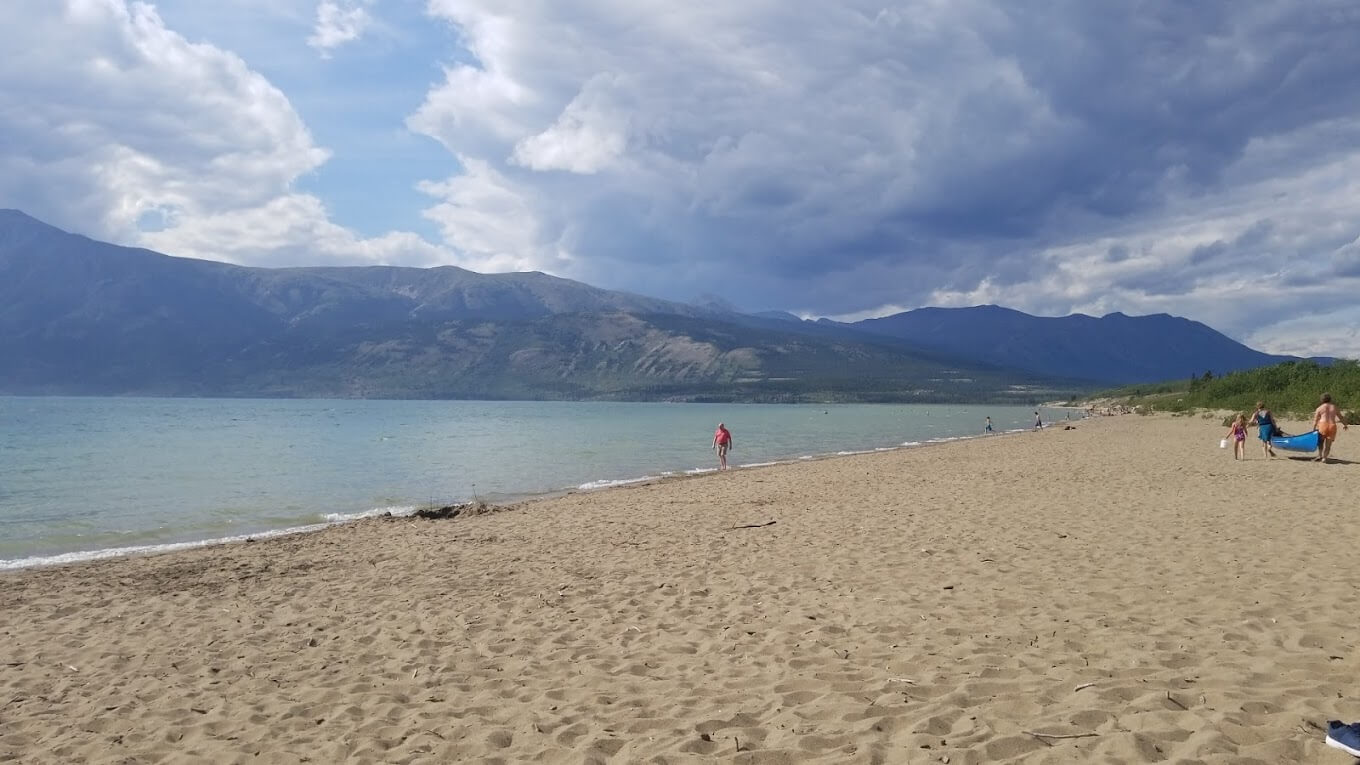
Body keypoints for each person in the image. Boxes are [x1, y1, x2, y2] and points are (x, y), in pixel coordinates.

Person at [1313, 392, 1349, 463]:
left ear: (1322, 400)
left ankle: (1320, 455)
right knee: (1328, 445)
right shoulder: (1334, 407)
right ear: (1330, 399)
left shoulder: (1319, 408)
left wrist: (1313, 429)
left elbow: (1315, 420)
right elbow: (1340, 417)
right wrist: (1345, 424)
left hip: (1323, 425)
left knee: (1321, 442)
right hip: (1332, 425)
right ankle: (1325, 458)